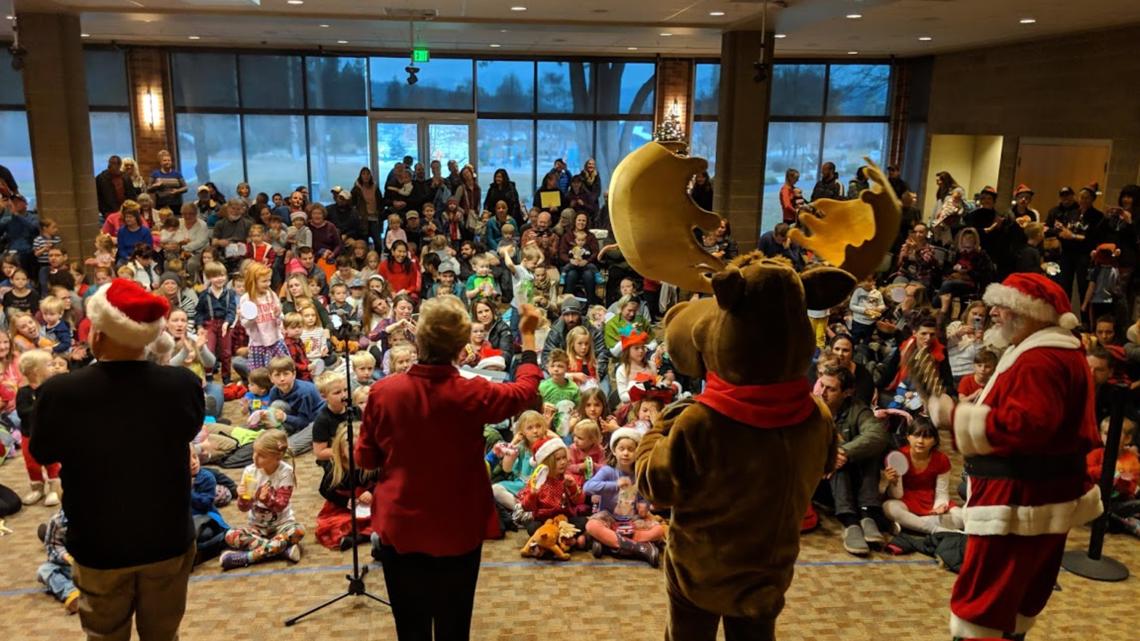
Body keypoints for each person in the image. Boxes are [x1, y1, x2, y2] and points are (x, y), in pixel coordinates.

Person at [926, 272, 1103, 640]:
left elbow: (1027, 428)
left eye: (1003, 307)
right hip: (1038, 498)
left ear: (1031, 312)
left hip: (1016, 503)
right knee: (1014, 605)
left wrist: (953, 416)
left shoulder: (1040, 360)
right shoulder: (1057, 352)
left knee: (985, 609)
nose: (993, 314)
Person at [356, 297, 543, 641]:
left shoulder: (383, 392)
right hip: (458, 525)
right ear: (461, 349)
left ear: (417, 340)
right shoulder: (472, 392)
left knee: (410, 629)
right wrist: (528, 337)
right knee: (454, 627)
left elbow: (366, 459)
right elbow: (525, 391)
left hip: (402, 524)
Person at [30, 278, 204, 639]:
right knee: (163, 634)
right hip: (166, 538)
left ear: (98, 335)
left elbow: (43, 452)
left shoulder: (61, 392)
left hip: (99, 543)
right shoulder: (181, 384)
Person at [816, 366, 889, 556]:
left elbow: (878, 434)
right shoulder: (812, 409)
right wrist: (831, 456)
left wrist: (845, 452)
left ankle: (867, 514)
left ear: (847, 392)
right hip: (820, 481)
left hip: (851, 480)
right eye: (821, 386)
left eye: (830, 389)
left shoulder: (856, 409)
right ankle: (849, 522)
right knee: (836, 458)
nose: (822, 393)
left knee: (865, 452)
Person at [219, 429, 306, 569]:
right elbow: (243, 508)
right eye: (254, 452)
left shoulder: (285, 472)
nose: (255, 457)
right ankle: (282, 551)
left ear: (277, 457)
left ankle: (247, 557)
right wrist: (242, 498)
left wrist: (266, 499)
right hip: (257, 528)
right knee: (230, 535)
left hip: (281, 525)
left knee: (298, 531)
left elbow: (280, 505)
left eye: (262, 456)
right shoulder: (249, 471)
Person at [583, 428, 664, 565]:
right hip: (609, 517)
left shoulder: (639, 473)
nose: (626, 453)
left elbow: (643, 495)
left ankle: (613, 544)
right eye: (622, 449)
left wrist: (644, 504)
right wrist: (615, 485)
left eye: (631, 449)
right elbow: (588, 487)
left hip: (633, 519)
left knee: (659, 530)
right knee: (591, 526)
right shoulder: (607, 471)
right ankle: (638, 547)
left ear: (637, 452)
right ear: (614, 451)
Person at [881, 419, 964, 534]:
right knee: (888, 507)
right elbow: (897, 495)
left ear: (935, 441)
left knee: (962, 517)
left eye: (927, 437)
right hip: (905, 501)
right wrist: (892, 482)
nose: (920, 441)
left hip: (931, 501)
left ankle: (910, 526)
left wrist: (940, 507)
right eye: (916, 435)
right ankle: (938, 530)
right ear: (908, 437)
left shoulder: (941, 459)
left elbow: (942, 492)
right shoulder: (899, 456)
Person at [17, 349, 62, 506]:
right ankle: (37, 487)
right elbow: (22, 412)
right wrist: (40, 406)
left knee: (53, 462)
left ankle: (54, 489)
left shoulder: (51, 387)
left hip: (49, 433)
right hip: (28, 434)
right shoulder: (23, 392)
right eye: (50, 364)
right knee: (31, 463)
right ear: (36, 371)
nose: (54, 367)